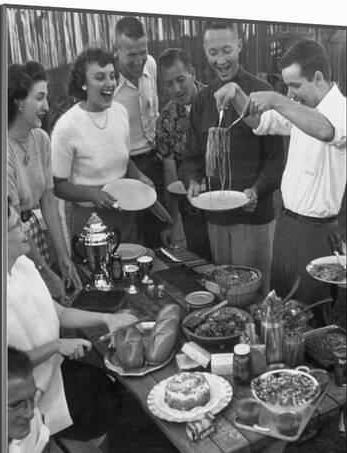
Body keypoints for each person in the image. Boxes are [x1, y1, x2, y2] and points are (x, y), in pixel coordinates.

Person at [214, 38, 347, 305]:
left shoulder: (343, 109)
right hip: (286, 225)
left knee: (310, 314)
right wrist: (236, 92)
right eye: (287, 88)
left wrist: (276, 98)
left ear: (318, 77)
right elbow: (259, 121)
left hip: (317, 234)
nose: (291, 94)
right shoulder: (300, 108)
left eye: (295, 85)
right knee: (280, 305)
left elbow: (325, 130)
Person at [7, 202, 137, 437]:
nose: (26, 229)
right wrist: (56, 346)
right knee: (109, 399)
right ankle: (81, 451)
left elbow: (60, 312)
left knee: (111, 386)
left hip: (54, 369)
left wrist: (107, 318)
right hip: (26, 397)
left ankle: (97, 442)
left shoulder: (23, 265)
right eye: (16, 226)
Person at [184, 21, 284, 295]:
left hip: (255, 216)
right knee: (224, 288)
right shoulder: (203, 100)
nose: (220, 59)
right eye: (213, 51)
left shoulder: (262, 92)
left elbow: (277, 158)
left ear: (239, 45)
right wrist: (192, 180)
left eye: (227, 49)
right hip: (216, 217)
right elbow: (191, 156)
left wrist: (257, 190)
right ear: (204, 51)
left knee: (256, 291)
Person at [51, 47, 154, 245]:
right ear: (83, 84)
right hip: (90, 218)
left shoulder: (120, 112)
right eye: (100, 77)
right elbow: (58, 186)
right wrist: (91, 194)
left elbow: (124, 158)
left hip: (126, 212)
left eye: (112, 76)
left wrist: (138, 176)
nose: (109, 84)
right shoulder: (67, 126)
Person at [8, 61, 81, 303]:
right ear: (18, 101)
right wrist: (44, 271)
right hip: (10, 243)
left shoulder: (41, 139)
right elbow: (13, 221)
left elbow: (49, 201)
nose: (47, 106)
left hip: (34, 238)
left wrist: (63, 258)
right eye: (39, 98)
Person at [113, 16, 167, 249]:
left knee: (159, 234)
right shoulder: (108, 85)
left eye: (142, 52)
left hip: (155, 161)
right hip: (124, 169)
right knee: (130, 238)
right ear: (117, 51)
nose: (139, 61)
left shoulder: (151, 65)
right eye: (131, 55)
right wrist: (134, 173)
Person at [155, 48, 211, 259]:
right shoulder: (166, 119)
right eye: (169, 84)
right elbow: (170, 175)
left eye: (181, 79)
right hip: (192, 207)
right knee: (202, 264)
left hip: (225, 202)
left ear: (193, 74)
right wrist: (171, 222)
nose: (177, 89)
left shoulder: (217, 101)